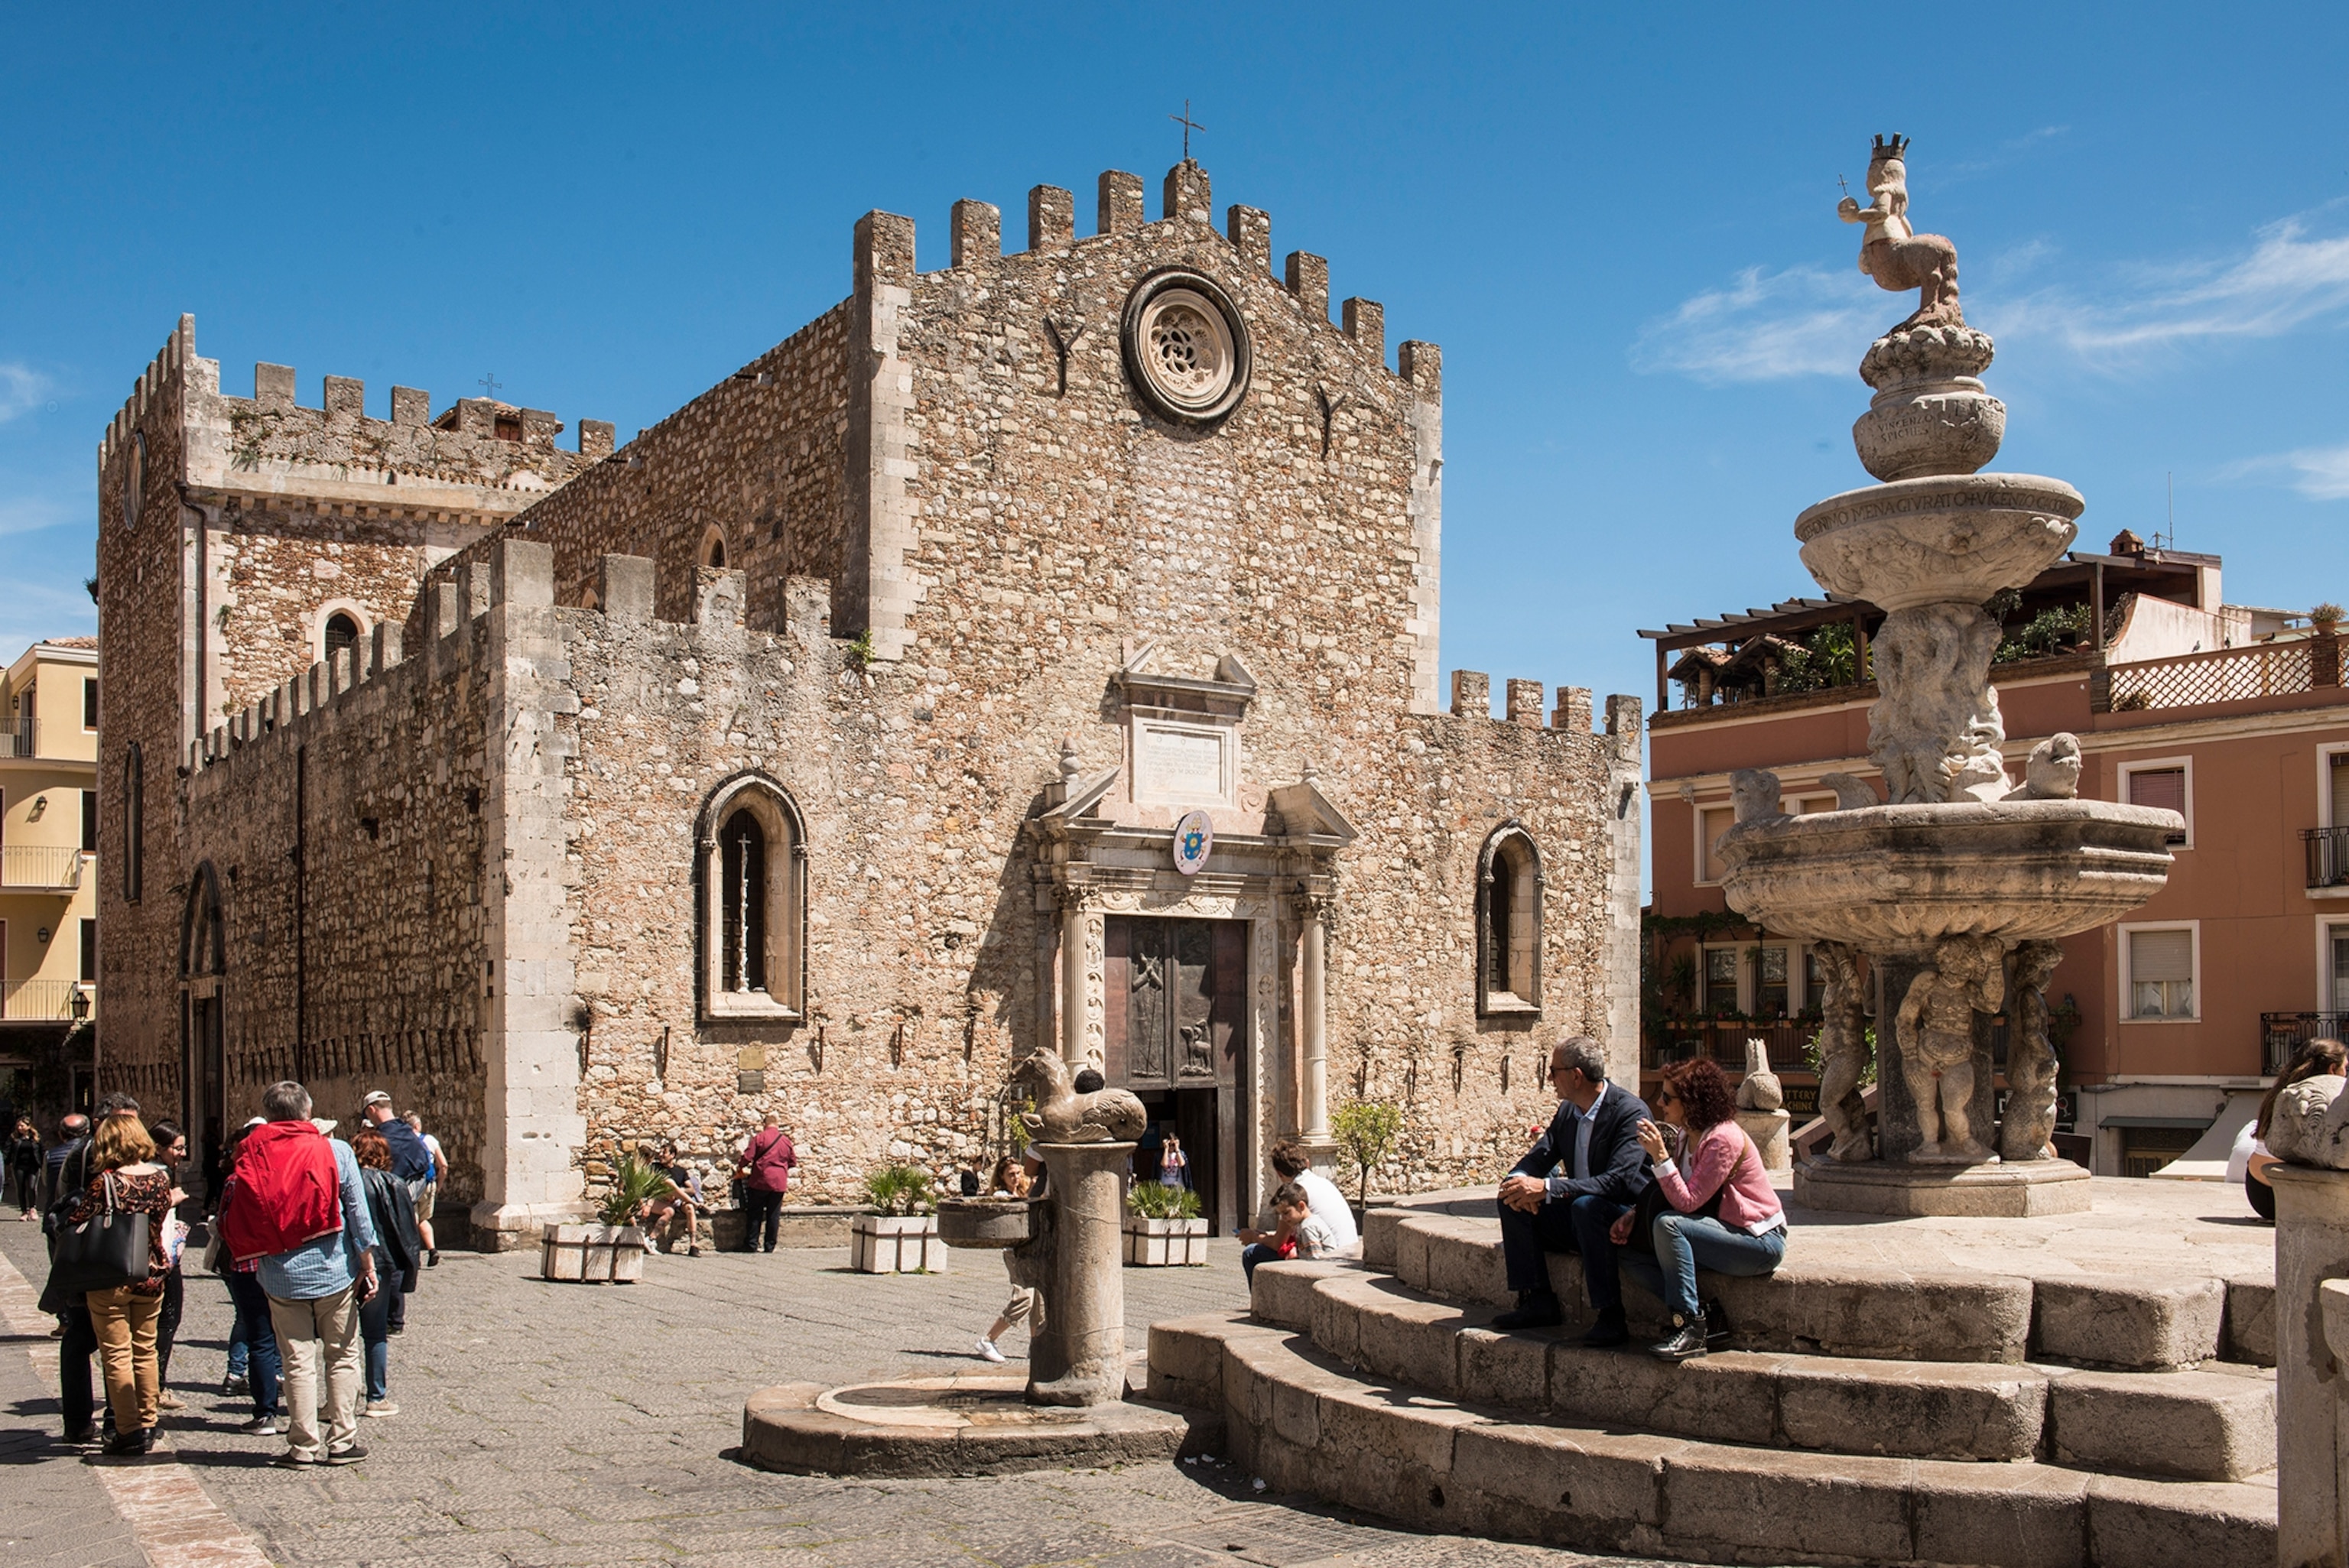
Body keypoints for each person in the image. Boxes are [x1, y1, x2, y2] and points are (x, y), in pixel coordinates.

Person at [221, 1081, 378, 1468]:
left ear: (270, 1115)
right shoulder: (335, 1150)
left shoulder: (254, 1154)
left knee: (296, 1361)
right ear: (307, 1112)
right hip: (334, 1272)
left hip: (279, 1275)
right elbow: (358, 1212)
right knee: (341, 1356)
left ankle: (302, 1445)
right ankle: (342, 1441)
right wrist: (368, 1263)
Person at [1611, 1058, 1789, 1362]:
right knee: (1629, 1254)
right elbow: (1672, 1193)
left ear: (1693, 1102)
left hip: (1758, 1241)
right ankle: (1706, 1314)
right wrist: (1635, 1214)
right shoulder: (1686, 1135)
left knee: (1670, 1225)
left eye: (1668, 1098)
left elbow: (1688, 1202)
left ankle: (1690, 1326)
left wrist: (1660, 1157)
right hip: (1717, 1233)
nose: (1659, 1102)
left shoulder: (1723, 1139)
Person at [1493, 1036, 1653, 1337]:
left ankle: (1610, 1315)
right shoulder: (1568, 1113)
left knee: (1586, 1207)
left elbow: (1617, 1182)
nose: (1550, 1078)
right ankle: (1537, 1299)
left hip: (1622, 1220)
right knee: (1511, 1197)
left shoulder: (1629, 1113)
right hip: (1581, 1215)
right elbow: (1540, 1156)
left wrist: (1549, 1188)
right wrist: (1516, 1180)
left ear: (1576, 1076)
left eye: (1554, 1071)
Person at [63, 1111, 176, 1456]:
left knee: (116, 1354)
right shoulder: (160, 1179)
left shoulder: (107, 1182)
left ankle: (127, 1429)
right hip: (151, 1271)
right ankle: (148, 1418)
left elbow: (77, 1220)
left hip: (112, 1276)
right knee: (146, 1350)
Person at [213, 1119, 284, 1433]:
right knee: (291, 1340)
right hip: (281, 1267)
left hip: (245, 1267)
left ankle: (264, 1412)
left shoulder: (234, 1182)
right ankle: (299, 1410)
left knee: (259, 1340)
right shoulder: (280, 1178)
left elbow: (223, 1224)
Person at [350, 1128, 422, 1418]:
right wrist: (408, 1270)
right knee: (376, 1333)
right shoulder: (394, 1184)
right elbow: (407, 1231)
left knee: (340, 1338)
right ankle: (376, 1396)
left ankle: (339, 1400)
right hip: (382, 1264)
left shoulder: (347, 1182)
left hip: (348, 1263)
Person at [2239, 1039, 2348, 1223]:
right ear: (2332, 1070)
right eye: (2345, 1068)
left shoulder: (2282, 1092)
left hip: (2258, 1190)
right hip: (2289, 1194)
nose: (2346, 1074)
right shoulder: (2323, 1096)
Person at [1238, 1141, 1360, 1277]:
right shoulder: (1325, 1183)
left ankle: (1261, 1298)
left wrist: (1254, 1237)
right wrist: (1267, 1235)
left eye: (1285, 1213)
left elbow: (1277, 1244)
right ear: (1307, 1163)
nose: (1284, 1216)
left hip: (1330, 1261)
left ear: (1279, 1174)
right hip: (1351, 1251)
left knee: (1251, 1253)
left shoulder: (1294, 1193)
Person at [976, 1156, 1040, 1362]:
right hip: (1014, 1252)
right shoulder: (1002, 1195)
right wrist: (1031, 1193)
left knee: (1040, 1299)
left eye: (1018, 1173)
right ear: (1002, 1177)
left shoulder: (1020, 1191)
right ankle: (988, 1339)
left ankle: (1037, 1344)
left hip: (1030, 1250)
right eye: (1010, 1174)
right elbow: (1015, 1212)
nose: (1015, 1177)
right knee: (1024, 1298)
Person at [146, 1121, 192, 1411]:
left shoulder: (154, 1172)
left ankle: (153, 1385)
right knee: (167, 1320)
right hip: (162, 1260)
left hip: (158, 1257)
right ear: (160, 1149)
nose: (183, 1153)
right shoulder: (159, 1176)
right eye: (177, 1148)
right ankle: (156, 1386)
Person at [734, 1114, 798, 1253]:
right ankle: (770, 1245)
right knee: (773, 1215)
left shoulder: (760, 1138)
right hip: (779, 1182)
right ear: (777, 1124)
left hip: (761, 1180)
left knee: (755, 1213)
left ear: (764, 1124)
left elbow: (748, 1157)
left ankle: (752, 1244)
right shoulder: (786, 1141)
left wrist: (740, 1166)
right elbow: (793, 1161)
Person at [638, 1145, 703, 1256]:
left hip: (677, 1201)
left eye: (664, 1152)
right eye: (660, 1152)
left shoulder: (680, 1171)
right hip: (661, 1199)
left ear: (672, 1155)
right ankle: (697, 1205)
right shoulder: (655, 1167)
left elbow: (691, 1189)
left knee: (690, 1208)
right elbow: (653, 1186)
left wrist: (676, 1193)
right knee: (670, 1184)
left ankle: (693, 1245)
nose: (661, 1155)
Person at [404, 1112, 447, 1266]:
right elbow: (444, 1165)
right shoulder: (430, 1140)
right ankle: (432, 1249)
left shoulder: (404, 1141)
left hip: (410, 1185)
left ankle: (414, 1254)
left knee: (412, 1219)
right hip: (428, 1184)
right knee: (424, 1219)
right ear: (417, 1125)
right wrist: (439, 1185)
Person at [8, 1114, 41, 1219]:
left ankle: (32, 1208)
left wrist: (43, 1163)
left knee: (32, 1187)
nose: (19, 1128)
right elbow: (7, 1150)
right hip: (19, 1166)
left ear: (29, 1126)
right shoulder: (14, 1138)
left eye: (22, 1126)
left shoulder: (36, 1138)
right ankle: (23, 1211)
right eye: (18, 1126)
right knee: (20, 1188)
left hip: (33, 1166)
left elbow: (42, 1150)